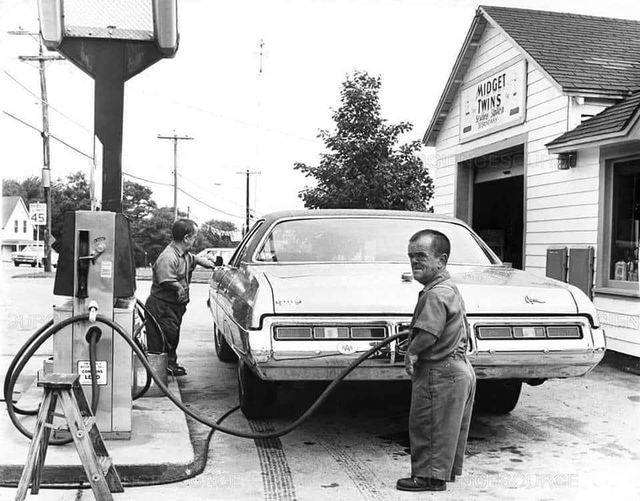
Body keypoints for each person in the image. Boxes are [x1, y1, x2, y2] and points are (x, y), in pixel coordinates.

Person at [396, 229, 476, 492]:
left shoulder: (435, 293)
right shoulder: (447, 288)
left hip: (438, 371)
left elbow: (429, 333)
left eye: (421, 256)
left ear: (441, 261)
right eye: (411, 256)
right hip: (457, 369)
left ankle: (426, 479)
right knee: (446, 428)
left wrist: (412, 351)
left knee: (428, 424)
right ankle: (437, 476)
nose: (414, 261)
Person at [144, 218, 218, 376]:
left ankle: (170, 365)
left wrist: (208, 263)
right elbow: (166, 279)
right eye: (194, 236)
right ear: (186, 238)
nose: (195, 239)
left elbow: (194, 259)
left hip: (174, 307)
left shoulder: (184, 254)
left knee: (172, 336)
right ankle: (159, 372)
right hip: (162, 306)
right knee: (163, 338)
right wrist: (178, 287)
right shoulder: (168, 257)